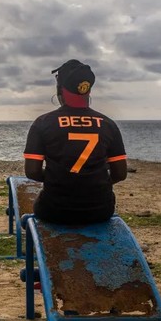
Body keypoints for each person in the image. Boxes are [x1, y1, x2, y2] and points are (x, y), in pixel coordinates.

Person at [23, 59, 128, 224]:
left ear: (60, 91)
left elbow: (32, 172)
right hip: (100, 210)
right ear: (88, 91)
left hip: (54, 209)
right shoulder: (108, 124)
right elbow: (120, 174)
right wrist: (93, 182)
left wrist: (60, 179)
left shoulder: (42, 123)